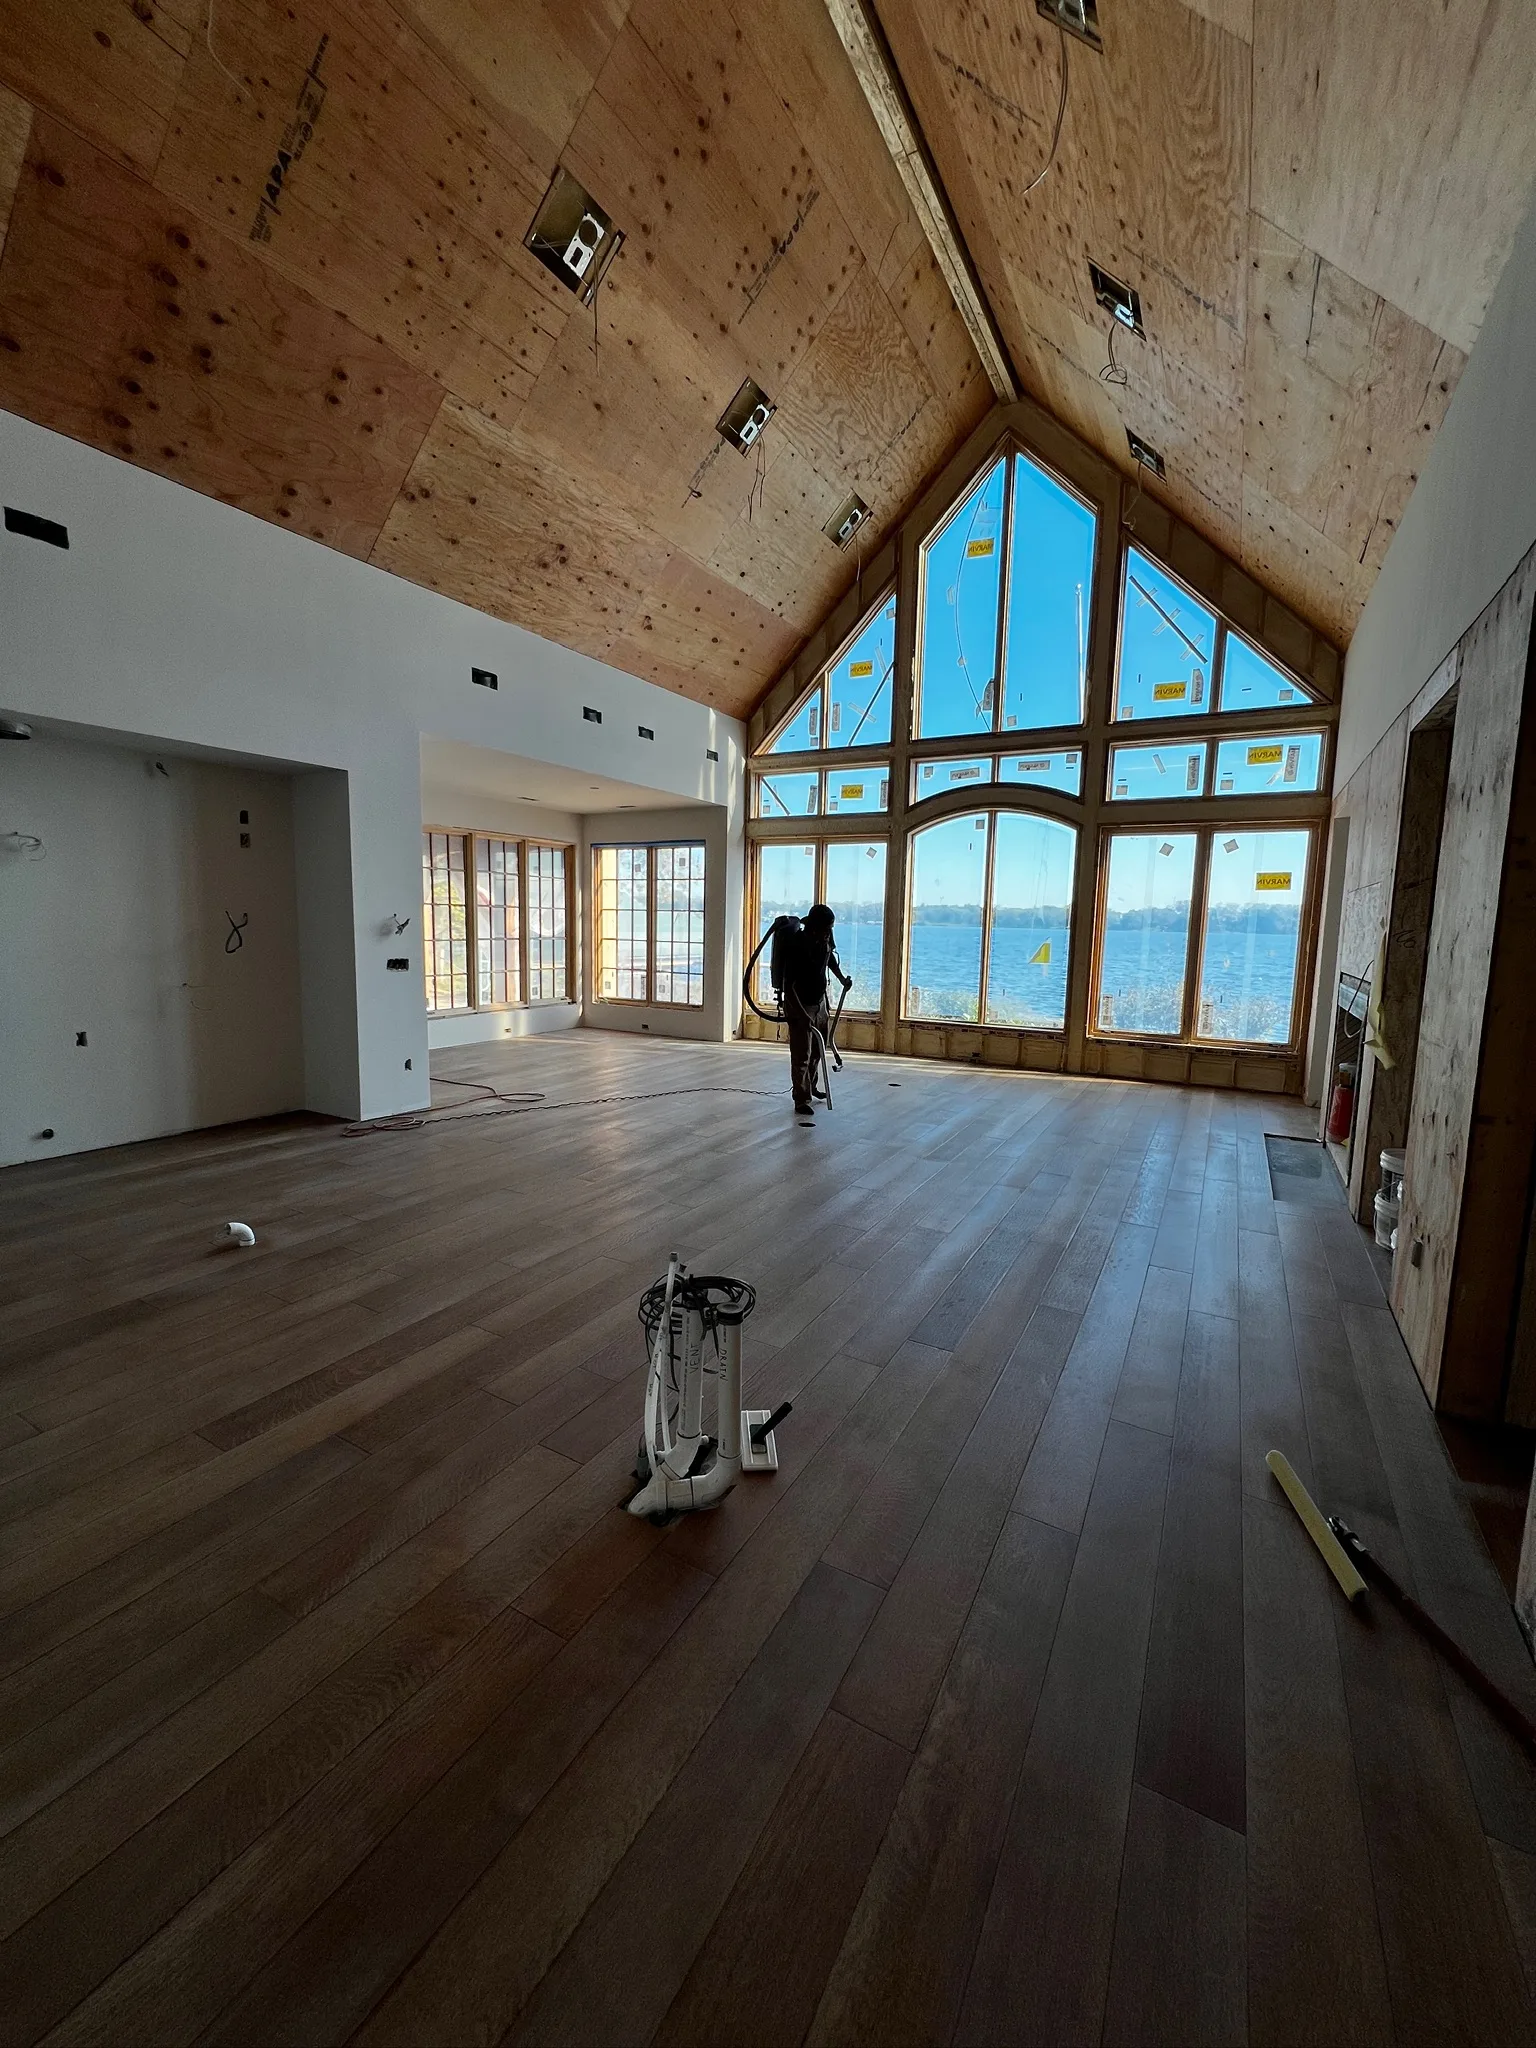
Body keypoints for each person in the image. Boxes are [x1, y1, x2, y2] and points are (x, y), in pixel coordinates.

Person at [780, 903, 851, 1117]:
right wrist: (801, 1015)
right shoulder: (798, 945)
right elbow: (788, 986)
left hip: (819, 1002)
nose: (829, 932)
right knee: (802, 1054)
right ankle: (801, 1099)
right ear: (814, 926)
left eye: (831, 928)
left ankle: (811, 1086)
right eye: (826, 928)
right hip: (799, 1003)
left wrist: (841, 979)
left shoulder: (825, 939)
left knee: (818, 1050)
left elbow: (829, 959)